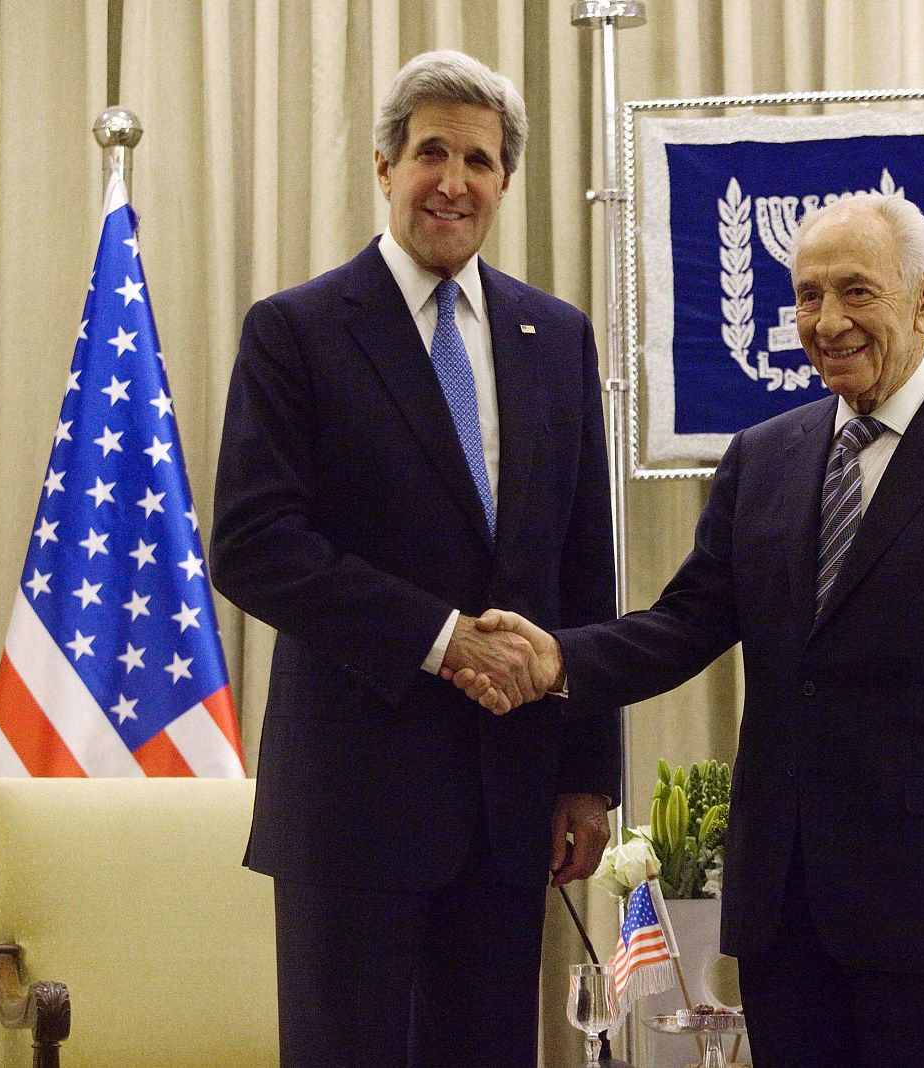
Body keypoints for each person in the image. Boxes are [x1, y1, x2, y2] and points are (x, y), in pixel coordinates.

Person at [455, 193, 924, 1068]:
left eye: (856, 292)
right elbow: (683, 624)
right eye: (807, 295)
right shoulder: (764, 456)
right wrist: (560, 655)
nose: (826, 322)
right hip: (782, 901)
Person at [208, 49, 620, 1068]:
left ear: (504, 184)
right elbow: (255, 547)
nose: (454, 180)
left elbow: (583, 574)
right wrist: (442, 643)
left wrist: (587, 775)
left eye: (478, 160)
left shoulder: (555, 338)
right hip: (353, 811)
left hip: (507, 807)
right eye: (431, 151)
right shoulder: (296, 332)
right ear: (384, 167)